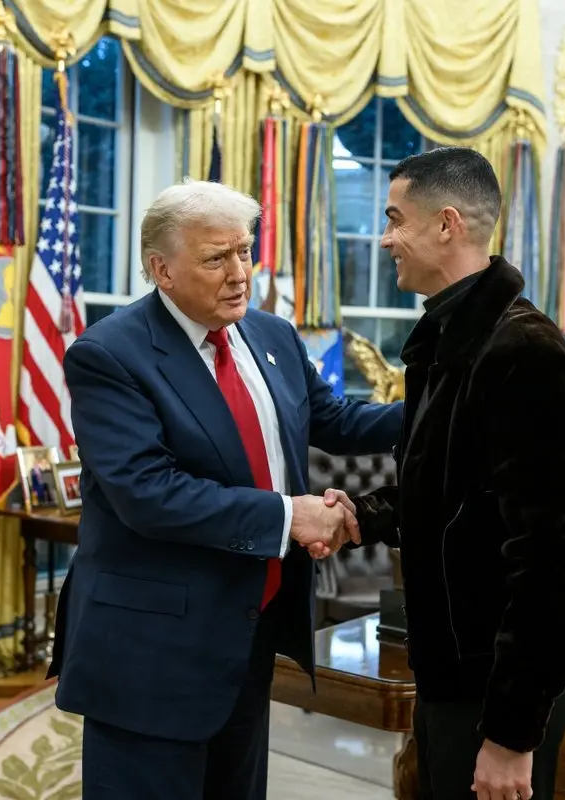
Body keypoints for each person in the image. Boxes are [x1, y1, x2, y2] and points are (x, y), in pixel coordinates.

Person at [48, 179, 403, 800]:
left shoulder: (270, 335)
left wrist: (447, 400)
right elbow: (147, 492)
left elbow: (337, 421)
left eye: (245, 251)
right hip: (151, 649)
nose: (240, 273)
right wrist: (287, 517)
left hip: (247, 626)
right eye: (217, 258)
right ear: (161, 268)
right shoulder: (108, 354)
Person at [325, 147, 565, 800]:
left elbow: (555, 561)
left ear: (446, 225)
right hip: (457, 670)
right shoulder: (449, 342)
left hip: (497, 685)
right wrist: (362, 516)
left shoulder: (525, 355)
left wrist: (511, 734)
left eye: (395, 219)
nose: (384, 237)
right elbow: (449, 495)